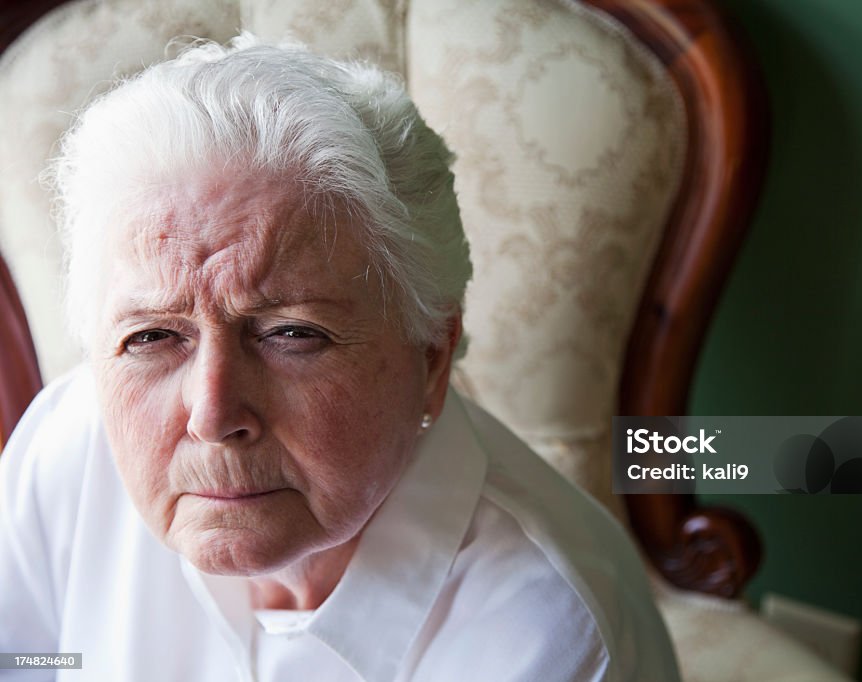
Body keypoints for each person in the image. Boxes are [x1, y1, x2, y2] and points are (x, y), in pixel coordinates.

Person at [0, 35, 679, 681]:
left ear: (432, 359)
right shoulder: (67, 444)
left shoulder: (544, 633)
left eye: (291, 334)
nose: (212, 414)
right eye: (151, 337)